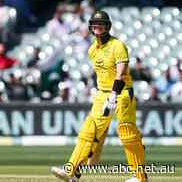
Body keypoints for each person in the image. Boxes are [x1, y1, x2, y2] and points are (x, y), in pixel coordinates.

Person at [51, 11, 148, 182]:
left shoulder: (117, 46)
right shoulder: (92, 50)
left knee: (127, 133)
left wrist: (113, 94)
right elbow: (101, 75)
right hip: (102, 93)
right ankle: (72, 171)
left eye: (101, 24)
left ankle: (140, 177)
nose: (97, 27)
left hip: (122, 92)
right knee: (89, 130)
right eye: (95, 25)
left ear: (107, 26)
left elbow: (121, 73)